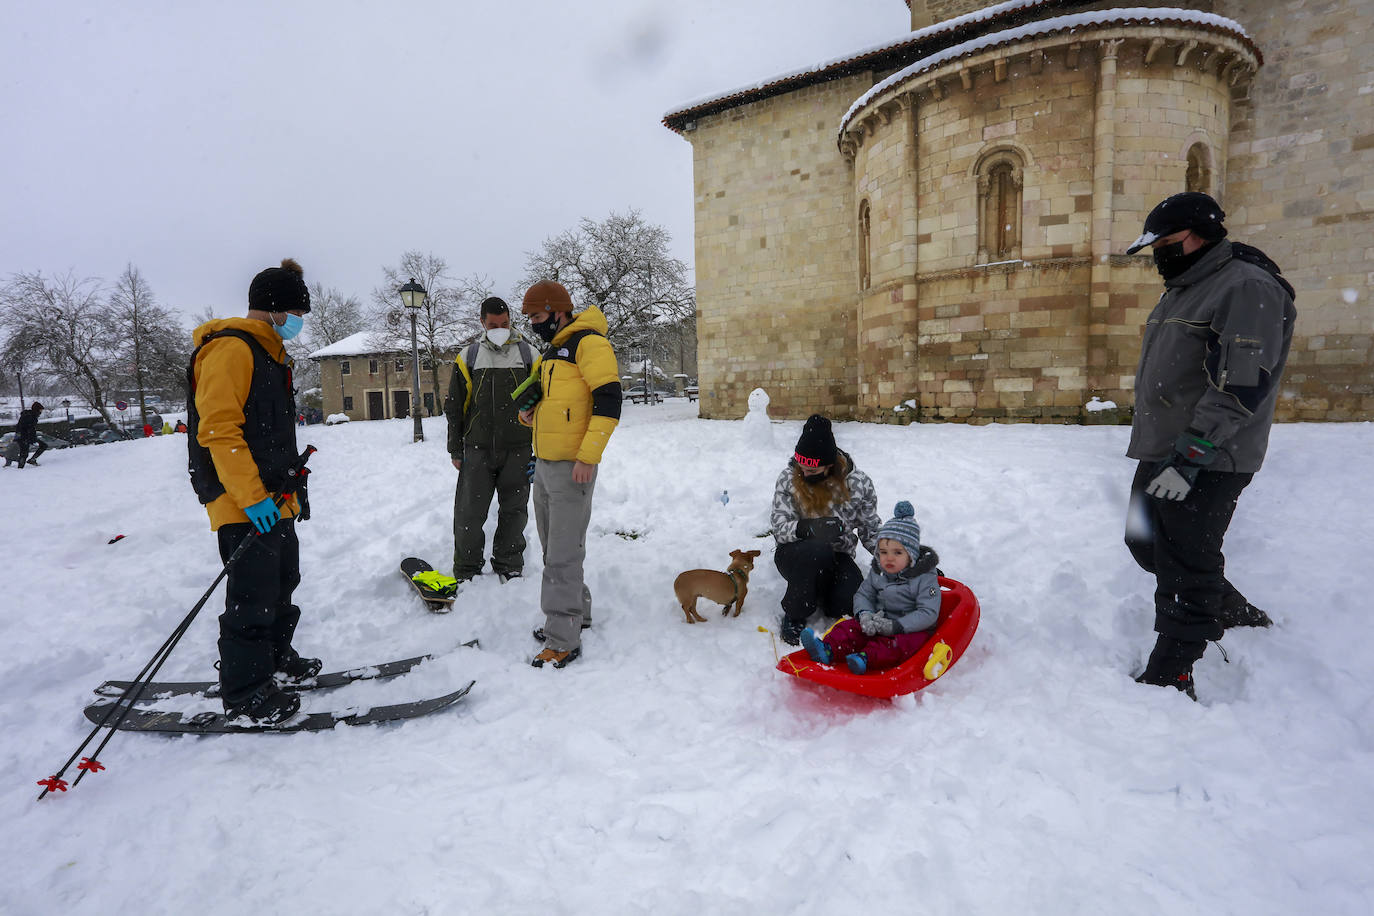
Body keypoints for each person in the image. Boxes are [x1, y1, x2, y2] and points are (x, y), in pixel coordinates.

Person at [1123, 192, 1296, 699]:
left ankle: (1173, 670)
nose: (1159, 254)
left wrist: (1190, 458)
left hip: (1206, 457)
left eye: (1167, 243)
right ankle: (1227, 607)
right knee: (1143, 538)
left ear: (1198, 233)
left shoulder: (1246, 288)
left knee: (1185, 559)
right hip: (1163, 449)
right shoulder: (1184, 287)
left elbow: (1239, 386)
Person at [186, 258, 321, 724]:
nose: (300, 324)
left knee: (283, 582)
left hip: (274, 496)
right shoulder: (231, 350)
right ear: (275, 311)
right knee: (252, 596)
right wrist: (252, 497)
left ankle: (275, 660)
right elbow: (219, 431)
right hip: (241, 499)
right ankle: (246, 694)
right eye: (297, 313)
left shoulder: (270, 353)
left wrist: (282, 496)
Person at [518, 279, 621, 668]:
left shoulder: (589, 344)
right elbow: (559, 404)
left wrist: (587, 457)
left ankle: (563, 638)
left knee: (561, 554)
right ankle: (579, 612)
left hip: (572, 467)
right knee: (555, 549)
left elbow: (609, 402)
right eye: (529, 318)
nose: (534, 324)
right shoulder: (553, 351)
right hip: (545, 464)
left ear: (560, 310)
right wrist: (529, 414)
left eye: (539, 316)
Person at [444, 296, 537, 583]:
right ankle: (467, 568)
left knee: (514, 511)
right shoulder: (469, 356)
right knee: (469, 512)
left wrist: (540, 450)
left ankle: (508, 563)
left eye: (506, 323)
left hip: (518, 449)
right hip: (477, 449)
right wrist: (455, 448)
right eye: (494, 324)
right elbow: (455, 406)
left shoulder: (530, 354)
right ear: (483, 322)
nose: (501, 328)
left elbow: (543, 403)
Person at [769, 414, 883, 645]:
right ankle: (796, 610)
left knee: (847, 602)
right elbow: (780, 527)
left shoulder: (859, 483)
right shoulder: (788, 479)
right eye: (800, 467)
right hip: (796, 554)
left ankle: (819, 590)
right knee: (816, 550)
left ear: (829, 465)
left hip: (837, 556)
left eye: (811, 470)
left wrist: (904, 561)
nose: (804, 473)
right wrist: (808, 528)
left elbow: (871, 529)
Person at [799, 500, 941, 674]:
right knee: (848, 628)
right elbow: (863, 595)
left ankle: (865, 658)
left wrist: (895, 626)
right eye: (883, 552)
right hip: (878, 621)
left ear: (911, 555)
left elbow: (928, 613)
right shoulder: (879, 571)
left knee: (898, 644)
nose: (889, 558)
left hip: (908, 629)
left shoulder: (924, 578)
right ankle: (828, 649)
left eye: (897, 553)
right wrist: (865, 615)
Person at [6, 402, 46, 468]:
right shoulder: (29, 416)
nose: (41, 411)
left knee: (43, 446)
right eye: (41, 409)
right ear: (37, 409)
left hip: (25, 436)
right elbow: (28, 428)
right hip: (24, 437)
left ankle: (31, 460)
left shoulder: (30, 415)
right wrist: (31, 438)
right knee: (24, 453)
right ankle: (20, 467)